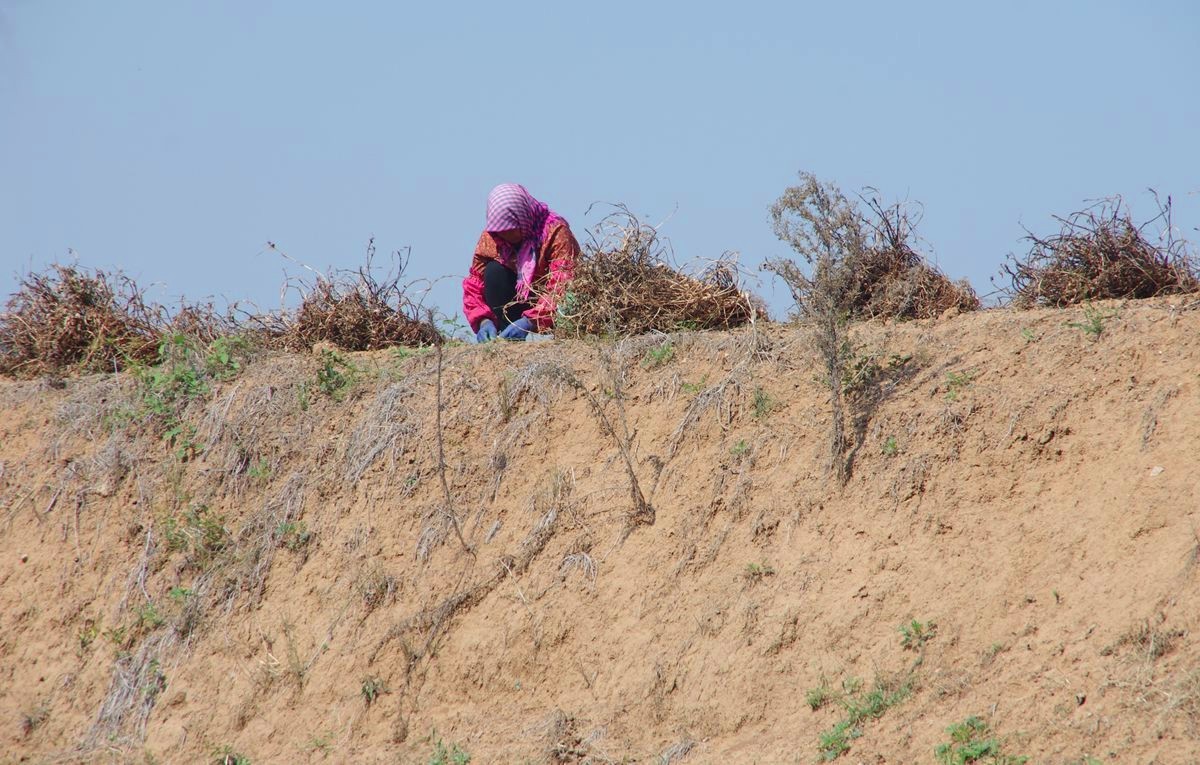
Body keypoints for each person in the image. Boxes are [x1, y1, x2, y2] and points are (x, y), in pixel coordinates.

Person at [462, 184, 581, 342]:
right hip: (513, 302)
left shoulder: (555, 234)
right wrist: (483, 320)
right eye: (500, 231)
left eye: (511, 229)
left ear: (523, 218)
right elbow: (474, 284)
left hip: (550, 304)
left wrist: (530, 321)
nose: (506, 236)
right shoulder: (492, 238)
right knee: (493, 271)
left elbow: (562, 286)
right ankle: (505, 334)